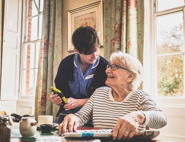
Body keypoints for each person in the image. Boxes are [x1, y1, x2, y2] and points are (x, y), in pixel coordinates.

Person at [59, 52, 167, 140]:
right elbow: (81, 117)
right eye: (109, 66)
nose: (107, 70)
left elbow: (162, 119)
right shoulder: (99, 93)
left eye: (114, 67)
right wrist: (72, 117)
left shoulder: (141, 96)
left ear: (130, 76)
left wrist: (138, 116)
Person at [50, 26, 109, 125]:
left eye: (97, 50)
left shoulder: (105, 66)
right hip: (67, 114)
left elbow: (105, 98)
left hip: (94, 115)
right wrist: (57, 100)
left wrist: (78, 102)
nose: (95, 55)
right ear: (76, 50)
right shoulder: (66, 64)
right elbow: (62, 94)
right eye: (89, 53)